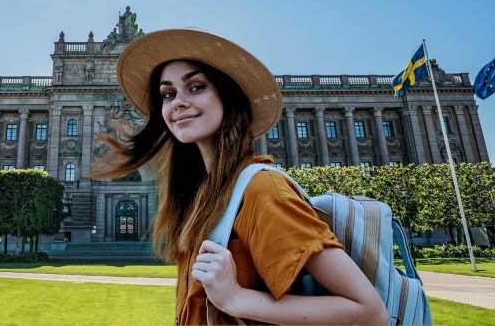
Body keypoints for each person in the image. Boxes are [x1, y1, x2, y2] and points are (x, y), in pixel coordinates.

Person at [96, 28, 388, 325]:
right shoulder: (200, 194)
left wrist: (237, 299)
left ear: (228, 96)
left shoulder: (262, 189)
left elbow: (369, 311)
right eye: (168, 93)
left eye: (196, 87)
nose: (178, 102)